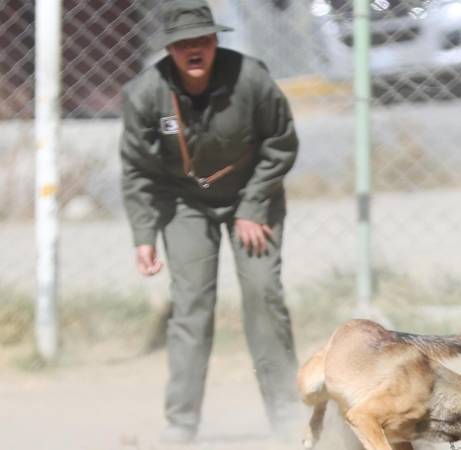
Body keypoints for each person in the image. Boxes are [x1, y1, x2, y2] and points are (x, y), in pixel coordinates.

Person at [119, 0, 301, 443]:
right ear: (170, 50)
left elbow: (281, 143)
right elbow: (137, 170)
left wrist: (254, 206)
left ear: (215, 40)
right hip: (184, 204)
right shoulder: (145, 94)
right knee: (191, 308)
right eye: (183, 44)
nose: (194, 50)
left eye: (202, 39)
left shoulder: (251, 79)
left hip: (251, 197)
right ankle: (181, 424)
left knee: (263, 295)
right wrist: (144, 235)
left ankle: (289, 417)